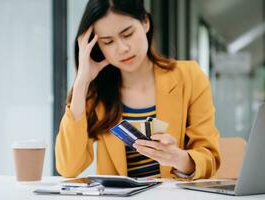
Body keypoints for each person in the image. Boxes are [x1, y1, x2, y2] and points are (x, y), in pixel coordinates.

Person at [55, 0, 220, 180]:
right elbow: (68, 167)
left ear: (145, 23)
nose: (122, 48)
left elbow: (209, 157)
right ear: (97, 47)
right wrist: (81, 83)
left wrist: (179, 158)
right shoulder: (96, 94)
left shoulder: (189, 76)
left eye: (128, 34)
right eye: (108, 42)